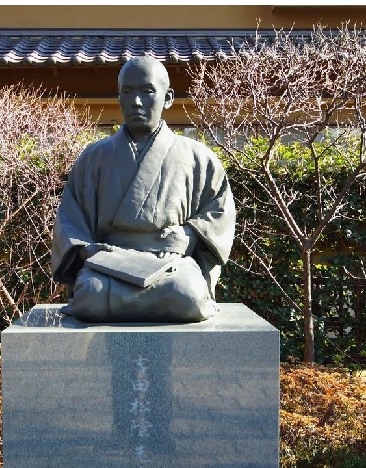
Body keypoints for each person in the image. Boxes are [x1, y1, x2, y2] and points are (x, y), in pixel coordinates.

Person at [51, 55, 235, 322]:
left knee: (189, 296)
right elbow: (71, 216)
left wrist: (188, 233)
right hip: (109, 263)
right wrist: (87, 250)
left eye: (147, 91)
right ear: (119, 97)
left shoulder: (197, 157)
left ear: (168, 97)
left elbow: (219, 209)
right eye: (127, 92)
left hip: (171, 262)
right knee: (90, 296)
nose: (136, 101)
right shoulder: (94, 157)